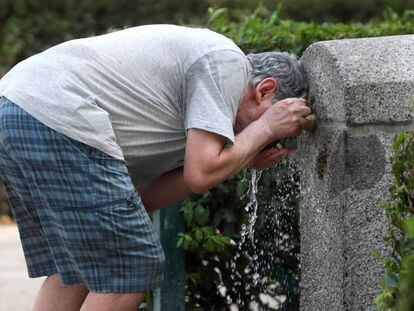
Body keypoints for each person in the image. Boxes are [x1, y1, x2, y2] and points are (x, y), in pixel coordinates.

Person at [0, 24, 310, 310]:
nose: (267, 140)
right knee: (129, 265)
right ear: (264, 89)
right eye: (278, 115)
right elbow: (201, 174)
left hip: (17, 105)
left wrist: (241, 152)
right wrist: (266, 129)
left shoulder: (197, 118)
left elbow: (144, 198)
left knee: (81, 263)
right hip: (56, 109)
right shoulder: (228, 62)